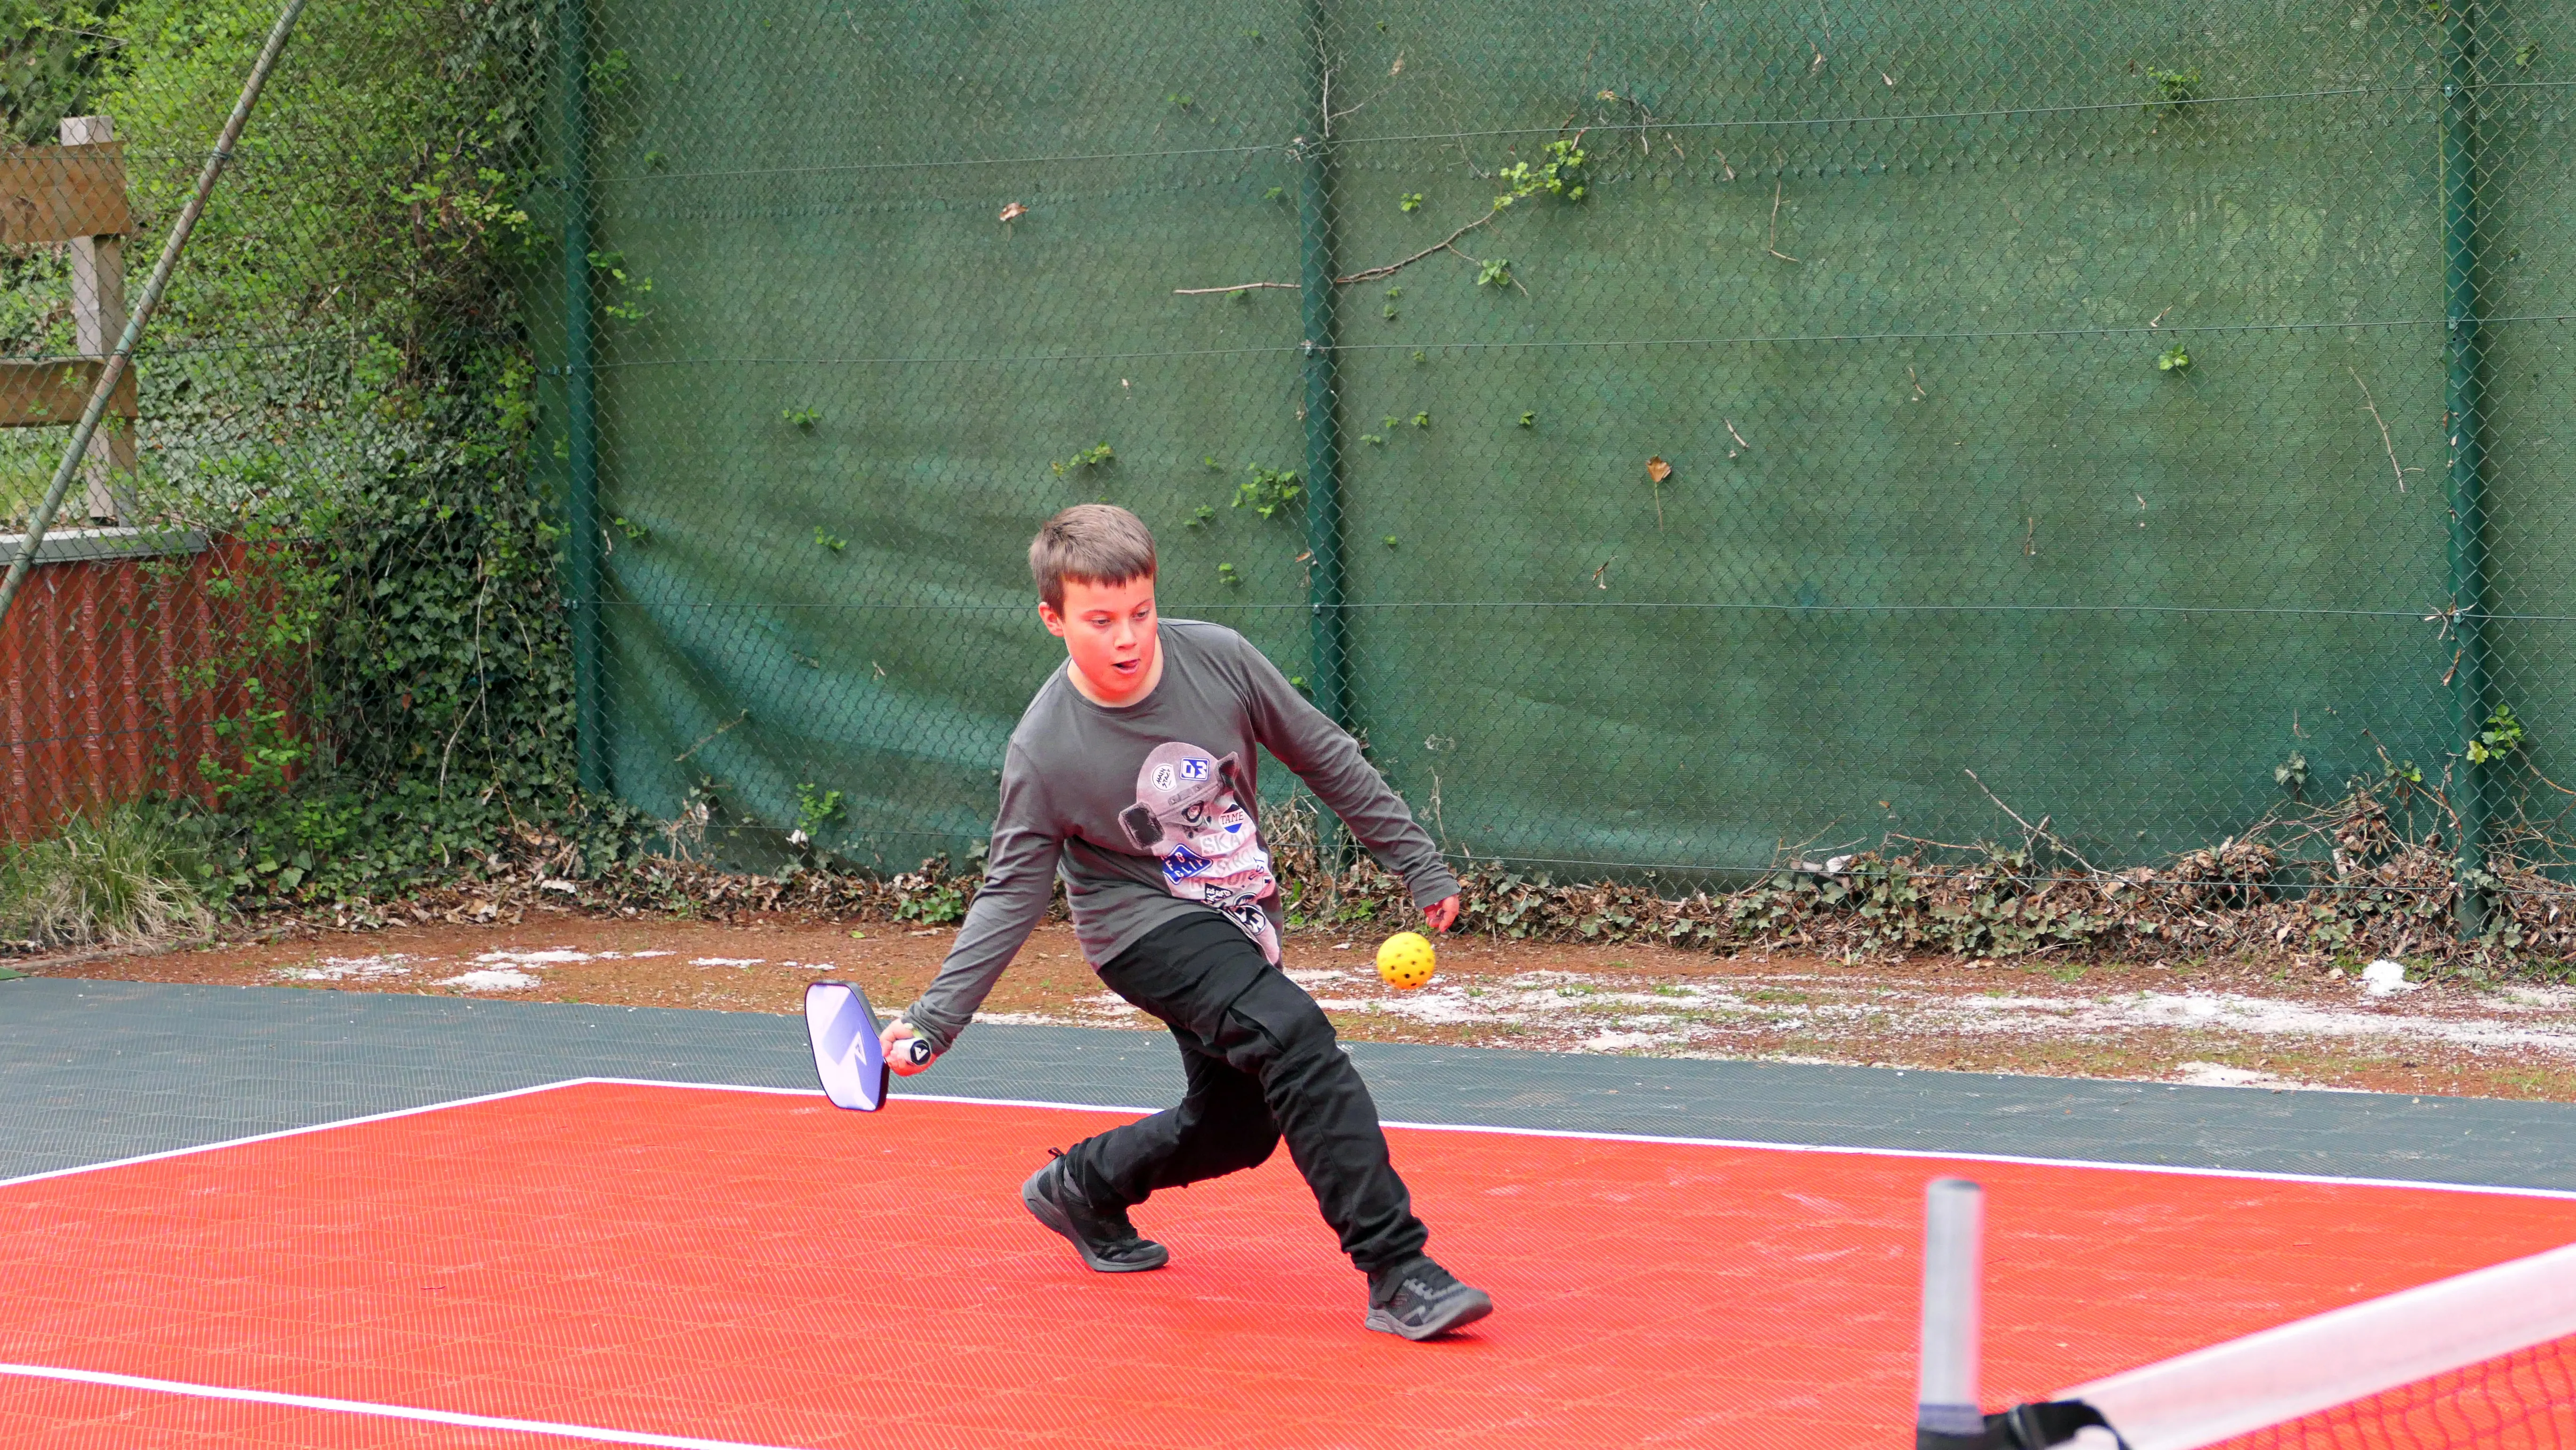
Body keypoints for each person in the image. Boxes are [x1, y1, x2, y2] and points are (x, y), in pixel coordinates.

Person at [880, 503, 1492, 1341]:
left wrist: (1415, 860)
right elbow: (1012, 891)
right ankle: (1399, 1272)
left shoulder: (1219, 659)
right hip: (1140, 929)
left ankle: (1084, 1187)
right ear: (1054, 620)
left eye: (1141, 612)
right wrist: (935, 1018)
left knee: (1238, 1130)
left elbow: (1324, 754)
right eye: (1100, 621)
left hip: (1240, 918)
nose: (1128, 638)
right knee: (1293, 1035)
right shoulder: (1045, 749)